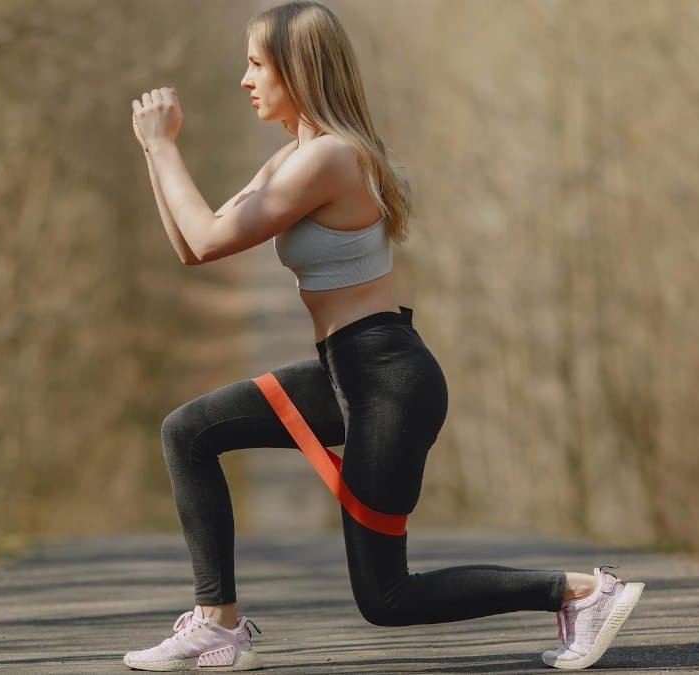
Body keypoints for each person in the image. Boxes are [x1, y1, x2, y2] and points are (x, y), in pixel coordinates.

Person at [123, 1, 643, 670]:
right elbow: (192, 246)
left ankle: (582, 591)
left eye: (256, 64)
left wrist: (165, 145)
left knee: (387, 596)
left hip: (387, 379)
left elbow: (205, 237)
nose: (245, 79)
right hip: (349, 373)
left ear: (297, 69)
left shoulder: (329, 160)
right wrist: (152, 151)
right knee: (188, 431)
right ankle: (217, 625)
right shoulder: (293, 160)